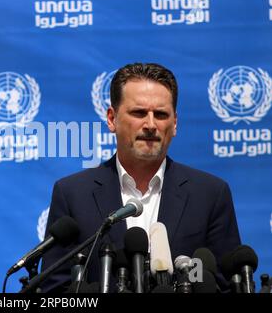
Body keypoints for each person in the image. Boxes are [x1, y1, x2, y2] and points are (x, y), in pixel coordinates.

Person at [40, 63, 241, 293]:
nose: (150, 125)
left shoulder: (210, 194)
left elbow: (227, 286)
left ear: (174, 123)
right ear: (111, 118)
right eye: (139, 113)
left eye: (161, 114)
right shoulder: (73, 194)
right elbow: (54, 291)